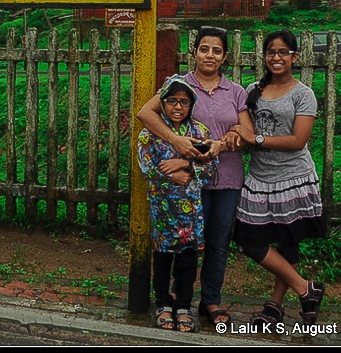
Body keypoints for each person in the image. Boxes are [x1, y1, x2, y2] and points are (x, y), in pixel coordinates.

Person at [137, 26, 253, 325]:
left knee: (217, 241)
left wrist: (228, 139)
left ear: (225, 56)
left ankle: (211, 301)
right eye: (204, 48)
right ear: (195, 51)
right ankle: (176, 299)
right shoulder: (178, 85)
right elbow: (146, 115)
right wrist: (175, 142)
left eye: (216, 50)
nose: (210, 55)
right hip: (184, 184)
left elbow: (247, 133)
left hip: (225, 175)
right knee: (181, 243)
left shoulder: (236, 91)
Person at [229, 29, 328, 327]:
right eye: (271, 52)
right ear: (265, 56)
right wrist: (236, 136)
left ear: (294, 57)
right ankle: (305, 288)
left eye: (283, 52)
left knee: (288, 241)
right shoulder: (252, 90)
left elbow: (298, 140)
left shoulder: (303, 94)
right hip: (259, 178)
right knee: (248, 240)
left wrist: (256, 138)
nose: (276, 57)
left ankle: (275, 305)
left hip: (293, 177)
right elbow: (243, 130)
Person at [137, 75, 221, 332]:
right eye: (171, 100)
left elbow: (211, 167)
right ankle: (162, 304)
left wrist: (186, 165)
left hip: (191, 213)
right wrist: (170, 175)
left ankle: (183, 306)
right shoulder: (149, 134)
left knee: (187, 260)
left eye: (183, 102)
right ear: (162, 103)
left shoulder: (199, 132)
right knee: (162, 259)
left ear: (191, 104)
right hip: (163, 209)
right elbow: (146, 166)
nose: (177, 107)